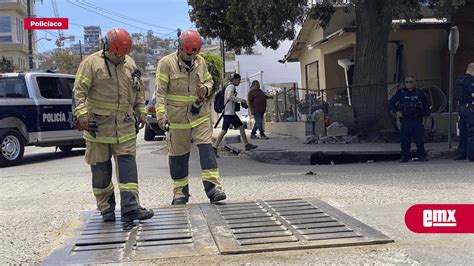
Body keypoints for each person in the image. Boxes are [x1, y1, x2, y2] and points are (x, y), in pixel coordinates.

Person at [73, 28, 154, 223]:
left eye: (122, 54)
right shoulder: (91, 64)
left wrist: (141, 111)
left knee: (128, 167)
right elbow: (79, 92)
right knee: (101, 172)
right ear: (106, 47)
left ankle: (131, 207)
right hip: (97, 128)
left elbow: (138, 89)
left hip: (125, 127)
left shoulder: (130, 63)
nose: (119, 57)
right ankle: (106, 208)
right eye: (116, 53)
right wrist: (82, 114)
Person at [155, 30, 226, 205]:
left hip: (200, 115)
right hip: (177, 119)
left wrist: (207, 89)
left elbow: (209, 81)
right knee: (178, 157)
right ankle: (180, 193)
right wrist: (161, 116)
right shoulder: (166, 63)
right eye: (188, 52)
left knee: (206, 150)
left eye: (195, 52)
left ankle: (214, 189)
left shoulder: (200, 61)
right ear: (179, 48)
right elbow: (160, 93)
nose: (191, 56)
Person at [213, 73, 258, 154]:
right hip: (229, 113)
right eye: (239, 80)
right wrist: (241, 100)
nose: (239, 82)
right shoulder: (231, 86)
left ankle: (247, 144)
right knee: (224, 130)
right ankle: (214, 147)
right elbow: (229, 97)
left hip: (231, 113)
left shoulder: (228, 86)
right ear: (235, 80)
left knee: (241, 126)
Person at [389, 76, 430, 162]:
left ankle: (421, 156)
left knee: (419, 139)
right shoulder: (400, 93)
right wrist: (397, 111)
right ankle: (404, 157)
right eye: (406, 82)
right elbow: (391, 103)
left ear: (415, 83)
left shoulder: (420, 93)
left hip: (417, 119)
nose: (408, 84)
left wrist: (425, 118)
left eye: (411, 82)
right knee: (404, 140)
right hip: (405, 119)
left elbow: (426, 105)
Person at [453, 63, 474, 161]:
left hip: (461, 107)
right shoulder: (470, 80)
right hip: (469, 107)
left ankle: (462, 153)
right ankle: (472, 155)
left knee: (463, 131)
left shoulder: (460, 79)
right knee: (471, 131)